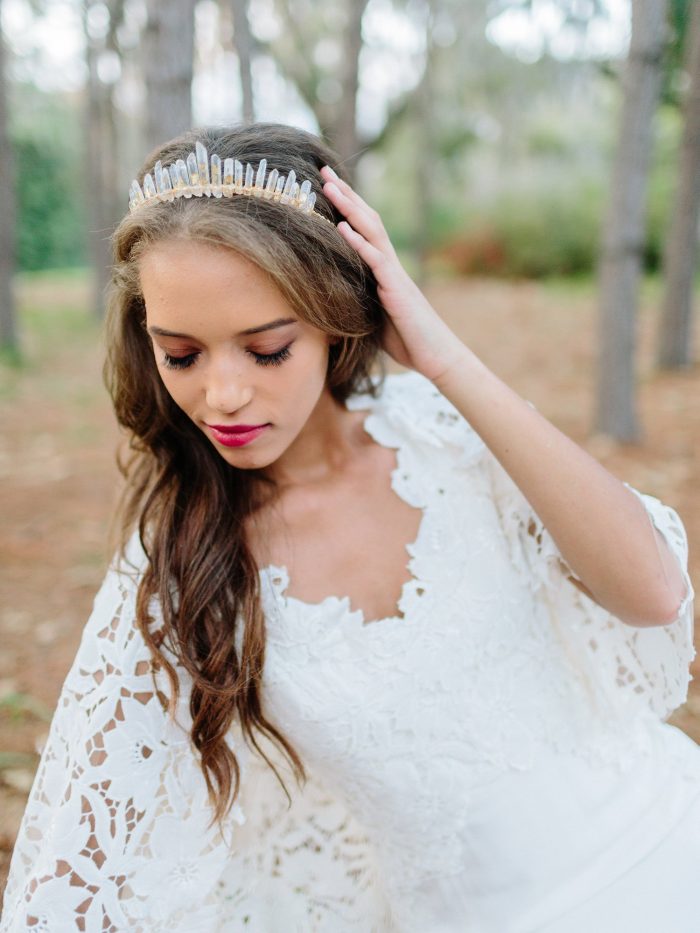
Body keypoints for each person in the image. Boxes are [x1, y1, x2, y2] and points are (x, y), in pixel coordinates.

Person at [1, 122, 698, 933]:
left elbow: (653, 593)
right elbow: (74, 873)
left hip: (671, 849)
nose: (223, 395)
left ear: (335, 318)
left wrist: (442, 359)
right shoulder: (181, 563)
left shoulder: (445, 432)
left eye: (266, 350)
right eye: (182, 355)